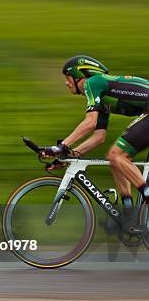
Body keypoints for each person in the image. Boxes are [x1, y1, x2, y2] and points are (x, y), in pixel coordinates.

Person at [42, 55, 149, 221]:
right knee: (115, 160)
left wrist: (61, 146)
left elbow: (90, 122)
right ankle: (129, 214)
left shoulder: (94, 83)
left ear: (79, 76)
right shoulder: (101, 97)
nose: (66, 82)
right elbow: (98, 137)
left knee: (117, 155)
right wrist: (68, 156)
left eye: (67, 77)